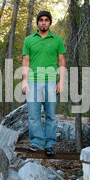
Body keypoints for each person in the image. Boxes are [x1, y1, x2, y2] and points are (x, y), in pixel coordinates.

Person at [22, 11, 66, 155]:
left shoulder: (57, 40)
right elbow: (26, 61)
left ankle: (49, 144)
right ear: (37, 22)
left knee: (51, 115)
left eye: (46, 20)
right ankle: (36, 142)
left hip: (51, 82)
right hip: (33, 81)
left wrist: (62, 81)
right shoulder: (29, 40)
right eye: (41, 20)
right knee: (34, 115)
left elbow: (61, 62)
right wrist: (24, 81)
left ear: (50, 22)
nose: (43, 22)